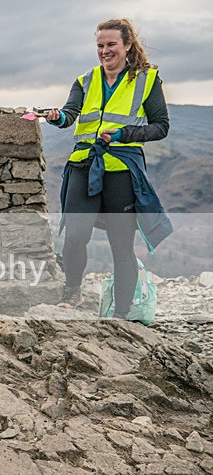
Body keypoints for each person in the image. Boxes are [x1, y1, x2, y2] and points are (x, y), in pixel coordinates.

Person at [45, 18, 172, 318]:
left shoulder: (148, 79)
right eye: (100, 46)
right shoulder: (85, 80)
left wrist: (123, 135)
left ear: (127, 45)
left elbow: (161, 126)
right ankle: (72, 293)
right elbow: (69, 114)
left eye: (111, 44)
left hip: (122, 171)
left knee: (121, 246)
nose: (105, 51)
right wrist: (56, 118)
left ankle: (121, 315)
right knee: (75, 235)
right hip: (84, 166)